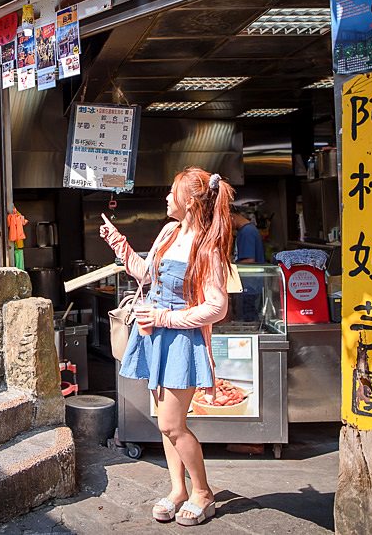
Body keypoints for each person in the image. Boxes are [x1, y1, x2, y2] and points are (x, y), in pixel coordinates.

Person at [100, 167, 234, 526]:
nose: (165, 198)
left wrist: (162, 318)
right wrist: (120, 245)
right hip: (156, 337)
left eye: (171, 192)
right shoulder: (168, 231)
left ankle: (203, 493)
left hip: (181, 342)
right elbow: (148, 275)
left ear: (189, 201)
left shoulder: (208, 248)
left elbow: (216, 308)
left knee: (175, 424)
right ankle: (178, 489)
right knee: (164, 423)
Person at [231, 206, 265, 322]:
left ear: (231, 217)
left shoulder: (247, 232)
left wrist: (230, 264)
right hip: (250, 286)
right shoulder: (247, 230)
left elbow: (249, 261)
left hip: (250, 286)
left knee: (248, 318)